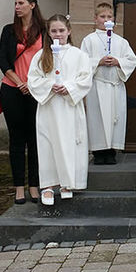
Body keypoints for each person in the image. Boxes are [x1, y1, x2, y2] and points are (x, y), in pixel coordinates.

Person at [28, 15, 92, 204]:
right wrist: (49, 86)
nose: (58, 34)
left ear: (69, 31)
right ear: (48, 33)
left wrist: (69, 88)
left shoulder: (79, 55)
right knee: (48, 145)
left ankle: (67, 183)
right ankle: (48, 186)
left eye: (61, 30)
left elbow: (85, 78)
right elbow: (33, 80)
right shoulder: (40, 56)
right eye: (54, 31)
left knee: (69, 144)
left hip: (69, 106)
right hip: (49, 107)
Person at [0, 0, 45, 204]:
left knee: (35, 139)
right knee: (17, 139)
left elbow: (49, 61)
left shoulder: (43, 30)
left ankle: (34, 185)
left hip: (36, 91)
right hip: (12, 89)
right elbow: (3, 61)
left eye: (21, 3)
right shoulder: (9, 31)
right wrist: (19, 83)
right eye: (15, 3)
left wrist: (33, 85)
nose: (17, 7)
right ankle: (19, 187)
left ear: (32, 5)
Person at [79, 2, 136, 165]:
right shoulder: (89, 40)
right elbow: (82, 61)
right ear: (95, 19)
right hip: (97, 85)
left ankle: (112, 151)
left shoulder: (121, 41)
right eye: (102, 17)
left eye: (109, 17)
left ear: (114, 20)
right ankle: (98, 152)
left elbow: (132, 60)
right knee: (97, 119)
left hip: (115, 85)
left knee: (115, 118)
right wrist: (98, 61)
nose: (106, 20)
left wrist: (118, 61)